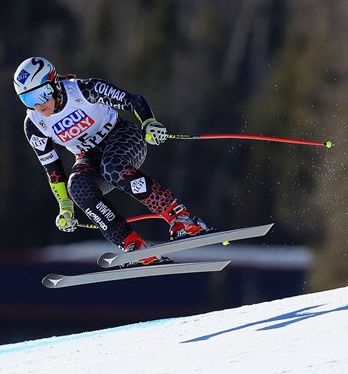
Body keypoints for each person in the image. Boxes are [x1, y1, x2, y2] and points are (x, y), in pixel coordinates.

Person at [13, 56, 211, 266]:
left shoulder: (83, 90)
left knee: (112, 167)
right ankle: (133, 245)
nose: (38, 104)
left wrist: (149, 123)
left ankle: (180, 218)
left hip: (123, 137)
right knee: (78, 187)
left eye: (41, 94)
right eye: (27, 99)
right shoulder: (34, 124)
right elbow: (52, 168)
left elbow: (132, 100)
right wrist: (64, 205)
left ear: (54, 84)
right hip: (89, 157)